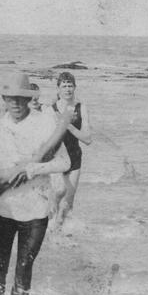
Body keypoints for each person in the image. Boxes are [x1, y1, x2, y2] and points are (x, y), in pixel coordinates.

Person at [0, 73, 71, 295]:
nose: (15, 103)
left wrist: (32, 168)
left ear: (28, 99)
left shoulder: (46, 122)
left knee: (24, 270)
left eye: (20, 98)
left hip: (36, 208)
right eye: (10, 98)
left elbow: (65, 162)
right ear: (4, 99)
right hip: (4, 208)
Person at [44, 72, 92, 228]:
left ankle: (60, 234)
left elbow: (87, 139)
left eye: (70, 85)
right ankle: (50, 231)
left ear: (75, 87)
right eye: (64, 86)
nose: (67, 89)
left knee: (67, 203)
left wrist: (68, 125)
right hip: (56, 158)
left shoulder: (81, 108)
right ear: (58, 89)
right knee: (57, 194)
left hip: (75, 157)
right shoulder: (50, 110)